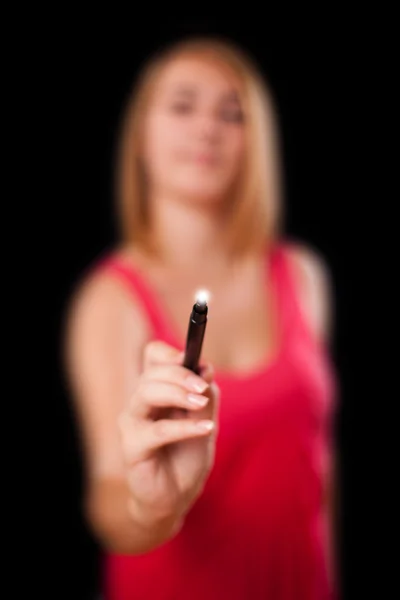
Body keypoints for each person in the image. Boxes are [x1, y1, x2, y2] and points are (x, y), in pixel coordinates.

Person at [64, 35, 340, 600]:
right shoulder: (110, 300)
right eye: (183, 105)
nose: (207, 128)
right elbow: (108, 502)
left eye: (232, 112)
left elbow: (318, 472)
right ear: (141, 134)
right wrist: (155, 503)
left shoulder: (303, 276)